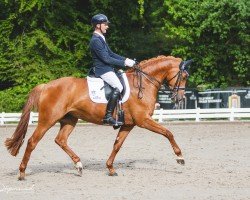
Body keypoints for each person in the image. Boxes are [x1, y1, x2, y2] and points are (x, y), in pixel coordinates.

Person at [89, 14, 135, 126]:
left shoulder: (101, 38)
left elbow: (111, 54)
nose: (107, 26)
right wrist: (124, 63)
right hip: (103, 70)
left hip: (107, 68)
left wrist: (126, 59)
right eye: (105, 24)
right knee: (119, 86)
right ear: (98, 25)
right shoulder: (96, 40)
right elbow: (106, 58)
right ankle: (108, 116)